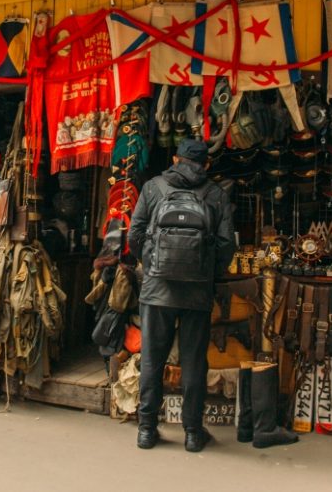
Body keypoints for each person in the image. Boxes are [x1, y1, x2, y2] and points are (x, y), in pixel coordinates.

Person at [127, 138, 234, 453]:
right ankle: (191, 433)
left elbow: (134, 235)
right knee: (194, 363)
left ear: (175, 158)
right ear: (207, 165)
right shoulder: (215, 194)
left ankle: (146, 430)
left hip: (157, 291)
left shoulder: (153, 188)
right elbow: (227, 245)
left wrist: (154, 263)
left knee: (152, 361)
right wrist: (205, 272)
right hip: (196, 293)